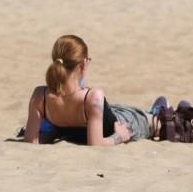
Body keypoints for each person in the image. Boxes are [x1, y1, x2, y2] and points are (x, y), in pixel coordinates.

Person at [22, 35, 178, 146]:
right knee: (152, 123)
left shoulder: (39, 96)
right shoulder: (92, 97)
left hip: (99, 117)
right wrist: (119, 136)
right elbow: (96, 144)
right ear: (83, 64)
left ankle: (155, 110)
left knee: (117, 109)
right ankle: (157, 112)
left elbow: (31, 141)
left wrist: (53, 134)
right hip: (120, 123)